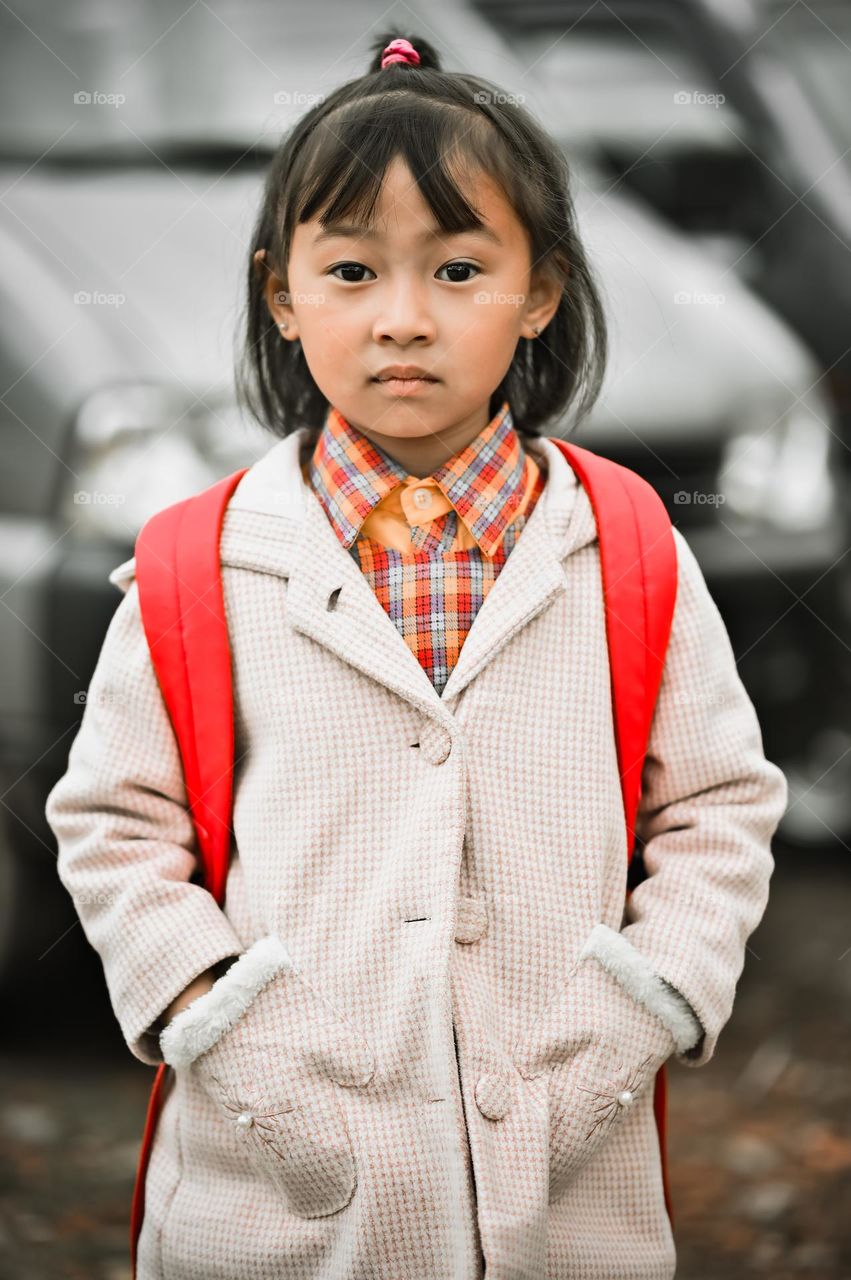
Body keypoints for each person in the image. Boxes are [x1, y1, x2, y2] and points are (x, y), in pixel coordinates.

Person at [45, 30, 788, 1280]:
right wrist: (230, 1033)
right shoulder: (197, 564)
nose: (402, 320)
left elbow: (718, 804)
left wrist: (636, 1012)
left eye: (456, 269)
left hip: (572, 1209)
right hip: (268, 1210)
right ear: (283, 296)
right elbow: (114, 824)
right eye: (350, 270)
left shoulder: (628, 551)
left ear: (539, 289)